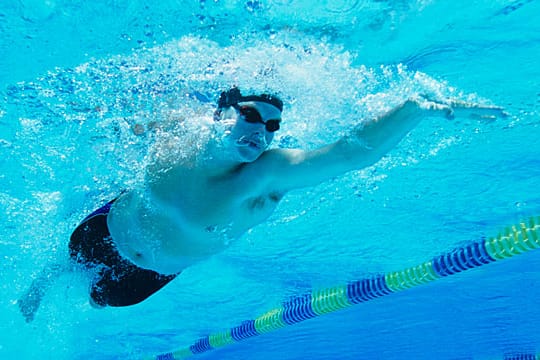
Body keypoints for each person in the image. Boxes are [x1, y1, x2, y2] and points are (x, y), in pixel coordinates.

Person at [18, 86, 506, 322]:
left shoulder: (265, 175)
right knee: (68, 262)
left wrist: (414, 109)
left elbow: (348, 154)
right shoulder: (179, 129)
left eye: (273, 126)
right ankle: (43, 281)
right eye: (252, 116)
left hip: (148, 275)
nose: (262, 131)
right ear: (219, 115)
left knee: (97, 301)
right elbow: (120, 123)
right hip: (104, 226)